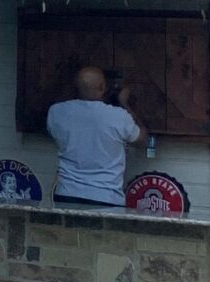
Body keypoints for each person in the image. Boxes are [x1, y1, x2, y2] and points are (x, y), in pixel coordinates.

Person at [45, 64, 141, 207]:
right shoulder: (119, 116)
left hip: (66, 194)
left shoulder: (56, 112)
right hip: (106, 197)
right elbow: (141, 139)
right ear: (103, 87)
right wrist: (124, 103)